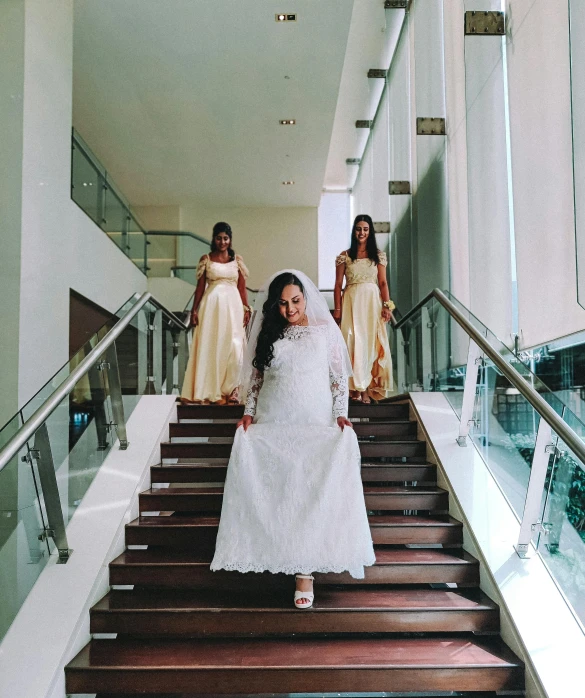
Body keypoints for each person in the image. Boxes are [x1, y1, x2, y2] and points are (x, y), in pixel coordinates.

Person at [210, 271, 375, 609]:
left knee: (306, 489)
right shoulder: (268, 333)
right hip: (274, 419)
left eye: (295, 301)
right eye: (283, 303)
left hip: (313, 421)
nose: (290, 309)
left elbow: (337, 378)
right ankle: (278, 553)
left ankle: (305, 573)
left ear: (306, 298)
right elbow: (256, 379)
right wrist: (249, 412)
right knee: (282, 489)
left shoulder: (324, 331)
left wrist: (341, 413)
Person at [180, 222, 252, 405]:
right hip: (211, 307)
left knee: (234, 347)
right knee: (212, 346)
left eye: (225, 238)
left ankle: (232, 389)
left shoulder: (237, 261)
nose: (222, 242)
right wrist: (194, 310)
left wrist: (246, 308)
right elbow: (199, 288)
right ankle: (213, 391)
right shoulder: (206, 258)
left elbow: (242, 288)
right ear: (214, 239)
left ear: (230, 239)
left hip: (233, 306)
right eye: (219, 238)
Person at [334, 214, 394, 403]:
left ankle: (366, 388)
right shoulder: (345, 256)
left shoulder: (378, 255)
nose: (362, 232)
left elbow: (383, 283)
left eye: (366, 229)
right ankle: (353, 389)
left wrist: (387, 306)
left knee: (369, 344)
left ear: (370, 232)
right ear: (354, 231)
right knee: (351, 343)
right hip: (351, 302)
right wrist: (337, 310)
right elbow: (337, 284)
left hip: (371, 304)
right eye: (359, 229)